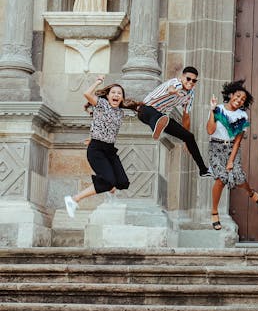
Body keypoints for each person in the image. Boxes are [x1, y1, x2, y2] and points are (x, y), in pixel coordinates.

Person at [64, 76, 141, 217]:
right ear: (107, 95)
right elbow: (87, 94)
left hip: (110, 150)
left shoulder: (120, 112)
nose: (116, 95)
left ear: (122, 98)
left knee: (123, 182)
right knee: (109, 181)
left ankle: (110, 189)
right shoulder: (101, 104)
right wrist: (98, 82)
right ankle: (74, 199)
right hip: (97, 150)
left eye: (119, 93)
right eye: (113, 92)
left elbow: (104, 126)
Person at [206, 80, 258, 231]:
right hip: (215, 147)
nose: (239, 100)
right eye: (237, 96)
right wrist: (212, 111)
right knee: (221, 178)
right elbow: (210, 131)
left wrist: (231, 161)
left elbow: (238, 141)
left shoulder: (242, 116)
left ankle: (251, 192)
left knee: (239, 177)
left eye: (243, 99)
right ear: (231, 95)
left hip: (232, 148)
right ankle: (214, 212)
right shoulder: (218, 109)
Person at [137, 66, 213, 177]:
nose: (191, 82)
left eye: (194, 80)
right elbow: (171, 88)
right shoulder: (176, 83)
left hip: (162, 117)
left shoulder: (190, 94)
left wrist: (186, 139)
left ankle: (203, 170)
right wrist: (174, 92)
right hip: (145, 110)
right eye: (188, 79)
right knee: (156, 115)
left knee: (189, 136)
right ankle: (156, 127)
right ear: (182, 77)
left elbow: (186, 116)